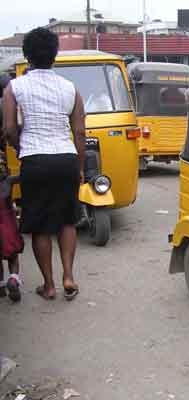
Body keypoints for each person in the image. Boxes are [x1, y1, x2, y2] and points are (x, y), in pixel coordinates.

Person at [2, 27, 86, 301]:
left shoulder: (15, 87)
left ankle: (49, 285)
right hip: (66, 159)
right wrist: (81, 167)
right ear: (55, 55)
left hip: (35, 160)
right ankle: (69, 277)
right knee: (67, 219)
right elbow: (80, 133)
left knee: (39, 224)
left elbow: (10, 128)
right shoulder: (70, 88)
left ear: (27, 55)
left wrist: (19, 145)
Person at [0, 73, 22, 302]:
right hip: (3, 193)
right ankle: (14, 276)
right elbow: (10, 130)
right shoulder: (5, 108)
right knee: (11, 241)